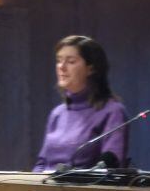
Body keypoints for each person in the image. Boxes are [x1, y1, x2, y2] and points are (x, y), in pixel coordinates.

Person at [33, 35, 128, 171]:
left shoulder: (113, 111)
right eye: (59, 61)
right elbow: (41, 163)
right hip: (45, 189)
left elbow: (109, 168)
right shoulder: (57, 113)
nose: (61, 67)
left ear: (91, 69)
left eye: (70, 61)